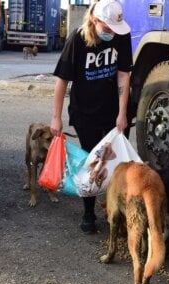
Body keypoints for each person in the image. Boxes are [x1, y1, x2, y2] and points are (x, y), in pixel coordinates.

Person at [50, 0, 133, 234]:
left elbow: (123, 76)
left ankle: (117, 212)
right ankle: (88, 212)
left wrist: (122, 113)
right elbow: (61, 81)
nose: (112, 34)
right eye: (107, 29)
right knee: (92, 162)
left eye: (115, 29)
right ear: (95, 21)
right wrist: (56, 117)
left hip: (113, 111)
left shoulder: (121, 36)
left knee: (116, 164)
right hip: (84, 112)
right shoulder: (77, 40)